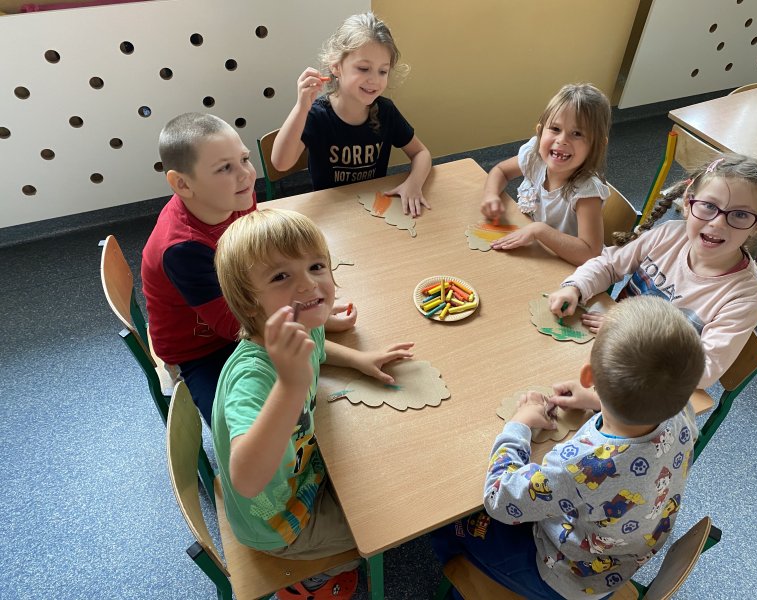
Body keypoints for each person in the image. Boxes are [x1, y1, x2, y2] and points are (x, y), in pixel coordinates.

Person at [431, 296, 705, 600]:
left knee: (449, 521)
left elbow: (499, 498)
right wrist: (600, 399)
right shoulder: (682, 413)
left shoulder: (580, 467)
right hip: (617, 563)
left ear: (588, 376)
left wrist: (519, 425)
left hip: (564, 577)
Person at [212, 208, 414, 600]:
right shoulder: (252, 379)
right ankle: (312, 577)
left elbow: (317, 350)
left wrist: (358, 359)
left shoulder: (302, 326)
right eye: (281, 276)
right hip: (278, 523)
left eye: (316, 266)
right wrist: (290, 386)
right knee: (387, 526)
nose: (308, 284)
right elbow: (247, 479)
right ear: (249, 302)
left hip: (305, 473)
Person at [142, 113, 355, 427]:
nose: (245, 174)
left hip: (246, 309)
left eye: (244, 159)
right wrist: (308, 313)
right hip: (202, 348)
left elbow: (260, 261)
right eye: (225, 168)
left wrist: (307, 306)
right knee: (242, 424)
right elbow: (232, 326)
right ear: (182, 184)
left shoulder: (236, 196)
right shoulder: (183, 249)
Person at [545, 153, 757, 413]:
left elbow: (704, 370)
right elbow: (608, 263)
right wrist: (575, 287)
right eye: (708, 206)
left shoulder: (746, 295)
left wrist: (629, 332)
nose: (718, 223)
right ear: (687, 202)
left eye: (740, 214)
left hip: (653, 390)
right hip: (607, 350)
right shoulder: (669, 235)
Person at [271, 12, 432, 217]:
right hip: (332, 213)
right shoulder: (316, 115)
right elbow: (281, 163)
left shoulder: (386, 111)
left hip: (373, 209)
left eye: (383, 71)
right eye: (363, 68)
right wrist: (301, 107)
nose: (374, 80)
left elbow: (421, 153)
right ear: (336, 67)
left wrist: (413, 184)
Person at [481, 83, 612, 266]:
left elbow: (589, 253)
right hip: (539, 253)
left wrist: (539, 230)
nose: (562, 140)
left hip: (567, 268)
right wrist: (491, 195)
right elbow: (501, 171)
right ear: (540, 131)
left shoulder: (586, 192)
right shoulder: (535, 157)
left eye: (577, 133)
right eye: (555, 129)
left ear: (597, 146)